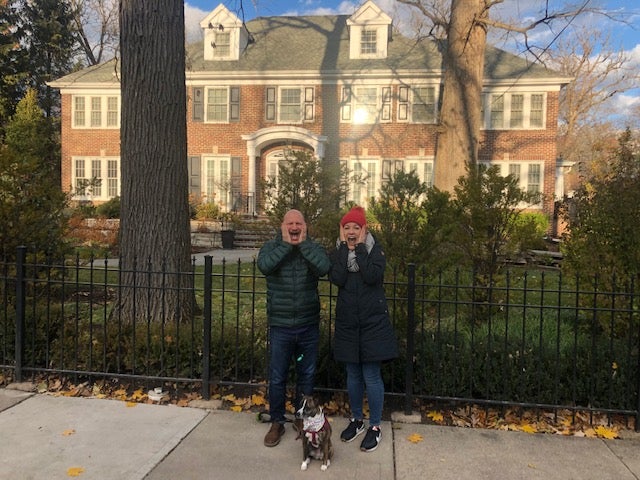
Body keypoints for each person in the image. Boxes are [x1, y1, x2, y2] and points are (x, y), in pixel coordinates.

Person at [257, 209, 331, 447]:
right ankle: (277, 421)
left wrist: (302, 246)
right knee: (277, 377)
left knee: (306, 375)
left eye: (299, 223)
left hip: (307, 324)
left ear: (305, 226)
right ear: (282, 226)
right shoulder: (271, 248)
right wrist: (288, 246)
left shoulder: (313, 248)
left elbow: (323, 267)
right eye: (290, 223)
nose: (294, 226)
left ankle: (301, 417)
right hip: (281, 325)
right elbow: (265, 266)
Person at [328, 205, 398, 452]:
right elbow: (336, 278)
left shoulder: (374, 251)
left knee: (371, 376)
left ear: (364, 229)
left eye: (355, 228)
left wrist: (357, 249)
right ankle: (357, 419)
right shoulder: (338, 252)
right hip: (348, 322)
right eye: (346, 227)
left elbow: (370, 276)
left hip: (372, 323)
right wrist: (344, 251)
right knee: (353, 376)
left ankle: (375, 426)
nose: (350, 231)